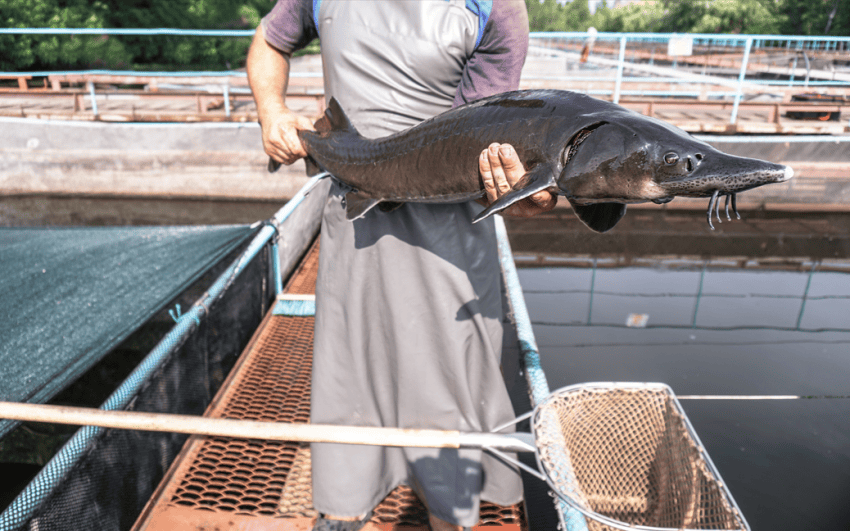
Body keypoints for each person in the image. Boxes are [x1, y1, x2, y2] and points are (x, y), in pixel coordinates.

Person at [246, 2, 556, 530]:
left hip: (451, 237)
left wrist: (529, 192)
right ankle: (343, 509)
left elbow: (486, 139)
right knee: (349, 375)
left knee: (448, 393)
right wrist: (271, 111)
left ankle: (450, 515)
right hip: (355, 222)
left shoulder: (496, 7)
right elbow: (269, 42)